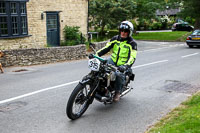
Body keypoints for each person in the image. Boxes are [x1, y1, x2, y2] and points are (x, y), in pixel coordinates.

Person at [96, 21, 137, 102]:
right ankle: (96, 84)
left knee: (118, 74)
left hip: (123, 65)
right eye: (121, 30)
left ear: (129, 32)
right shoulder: (115, 39)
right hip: (113, 60)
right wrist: (96, 55)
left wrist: (126, 66)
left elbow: (132, 57)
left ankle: (117, 92)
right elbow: (106, 48)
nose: (123, 33)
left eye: (125, 31)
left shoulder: (132, 43)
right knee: (101, 67)